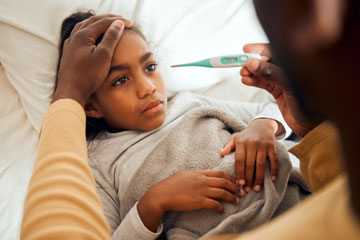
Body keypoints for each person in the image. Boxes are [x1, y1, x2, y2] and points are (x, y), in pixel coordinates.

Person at [21, 0, 360, 239]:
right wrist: (153, 204)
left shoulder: (188, 103)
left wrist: (263, 127)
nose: (148, 87)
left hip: (298, 201)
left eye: (150, 67)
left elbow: (277, 110)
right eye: (120, 80)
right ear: (91, 106)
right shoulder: (94, 163)